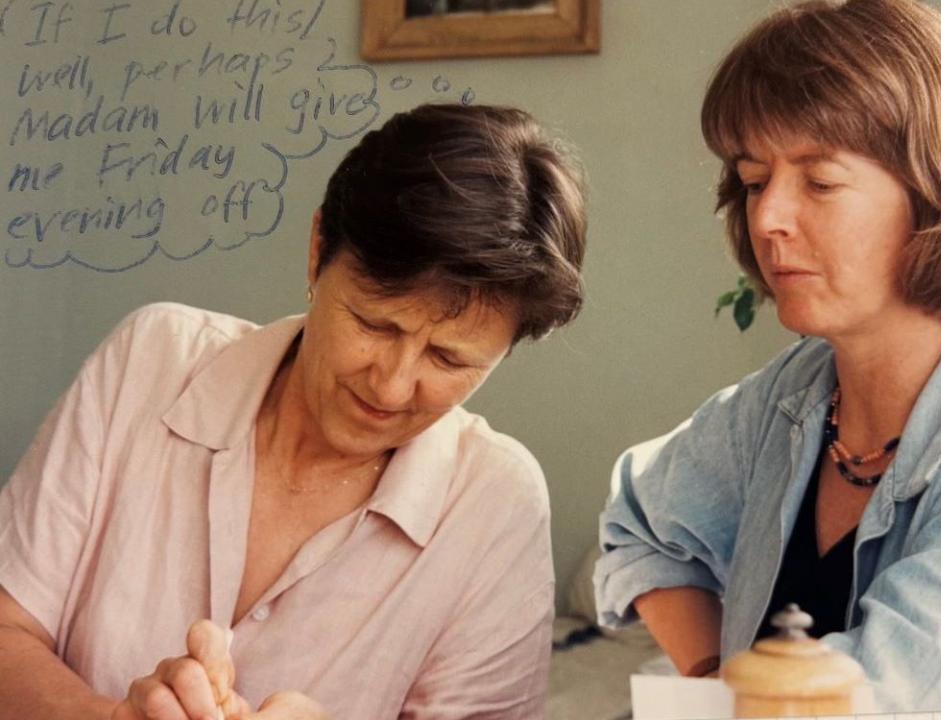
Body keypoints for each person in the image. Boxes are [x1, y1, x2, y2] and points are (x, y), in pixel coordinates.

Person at [594, 0, 941, 711]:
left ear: (936, 191)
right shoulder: (791, 397)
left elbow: (867, 706)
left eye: (819, 182)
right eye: (755, 180)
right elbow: (640, 520)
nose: (767, 218)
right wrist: (710, 680)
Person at [0, 103, 587, 720]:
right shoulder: (151, 361)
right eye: (371, 323)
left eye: (449, 359)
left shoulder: (495, 505)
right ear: (316, 253)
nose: (390, 388)